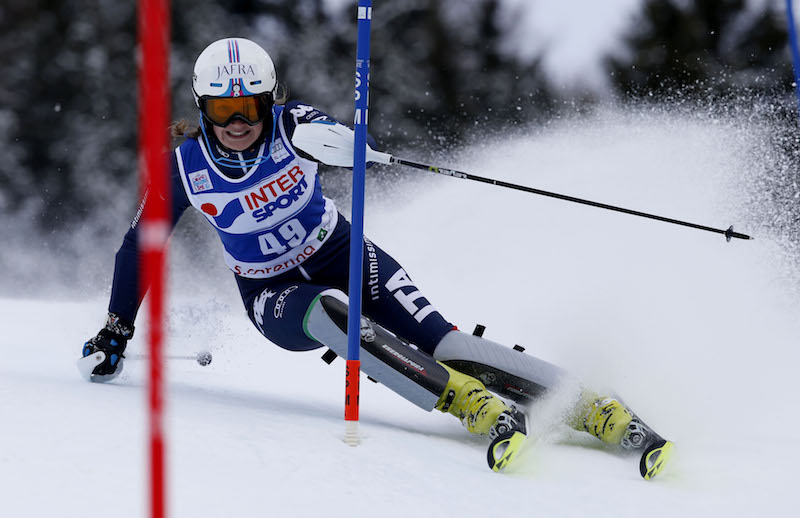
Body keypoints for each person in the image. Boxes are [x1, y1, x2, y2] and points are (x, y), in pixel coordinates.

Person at [79, 37, 668, 475]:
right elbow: (140, 247)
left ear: (269, 101)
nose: (238, 124)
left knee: (447, 343)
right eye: (223, 112)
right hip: (272, 294)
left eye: (250, 108)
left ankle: (592, 405)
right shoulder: (181, 168)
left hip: (341, 249)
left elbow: (335, 138)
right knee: (332, 314)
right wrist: (115, 329)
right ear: (202, 109)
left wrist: (344, 145)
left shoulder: (291, 124)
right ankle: (470, 404)